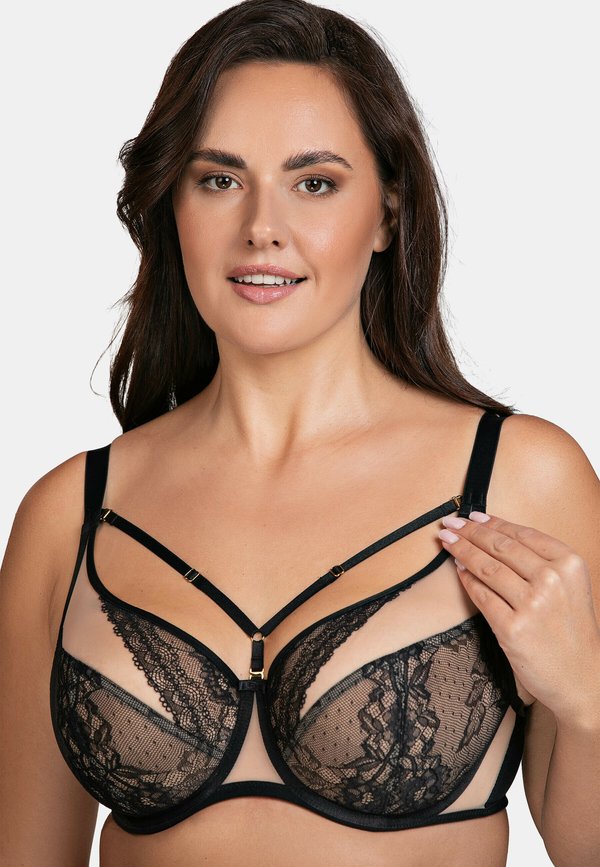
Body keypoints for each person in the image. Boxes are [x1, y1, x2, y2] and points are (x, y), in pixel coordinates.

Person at [1, 0, 599, 864]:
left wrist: (587, 699)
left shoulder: (519, 477)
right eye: (219, 179)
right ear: (172, 205)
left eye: (314, 182)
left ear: (388, 212)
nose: (261, 227)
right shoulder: (71, 513)